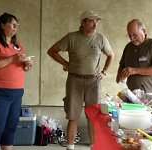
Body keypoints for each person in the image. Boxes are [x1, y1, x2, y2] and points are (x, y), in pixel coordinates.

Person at [47, 10, 114, 150]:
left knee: (93, 116)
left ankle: (94, 147)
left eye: (97, 21)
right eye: (91, 21)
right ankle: (70, 147)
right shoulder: (71, 37)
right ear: (83, 22)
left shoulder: (100, 38)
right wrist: (66, 64)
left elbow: (111, 55)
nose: (95, 24)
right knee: (73, 116)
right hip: (74, 81)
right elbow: (52, 51)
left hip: (94, 82)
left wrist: (104, 72)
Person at [0, 12, 33, 150]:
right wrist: (12, 59)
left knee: (10, 127)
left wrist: (27, 65)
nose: (16, 26)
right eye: (12, 23)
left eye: (17, 25)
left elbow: (19, 66)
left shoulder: (17, 45)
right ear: (2, 25)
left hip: (16, 92)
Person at [116, 19, 152, 93]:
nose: (132, 38)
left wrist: (135, 70)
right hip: (133, 96)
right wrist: (120, 76)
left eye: (135, 35)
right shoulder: (128, 47)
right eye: (129, 35)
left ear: (144, 31)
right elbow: (122, 66)